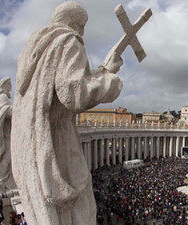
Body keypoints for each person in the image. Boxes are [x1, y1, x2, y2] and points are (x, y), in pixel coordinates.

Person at [11, 2, 123, 225]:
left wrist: (103, 70)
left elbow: (63, 80)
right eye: (82, 26)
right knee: (81, 208)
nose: (82, 32)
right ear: (74, 22)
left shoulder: (34, 49)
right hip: (58, 142)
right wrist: (111, 81)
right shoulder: (67, 39)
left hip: (29, 146)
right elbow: (74, 93)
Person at [0, 77, 16, 193]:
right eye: (9, 84)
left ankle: (4, 180)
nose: (11, 86)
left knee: (8, 158)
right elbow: (5, 111)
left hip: (8, 133)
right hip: (6, 135)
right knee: (7, 157)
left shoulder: (4, 97)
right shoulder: (3, 97)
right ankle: (1, 180)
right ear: (4, 85)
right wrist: (16, 108)